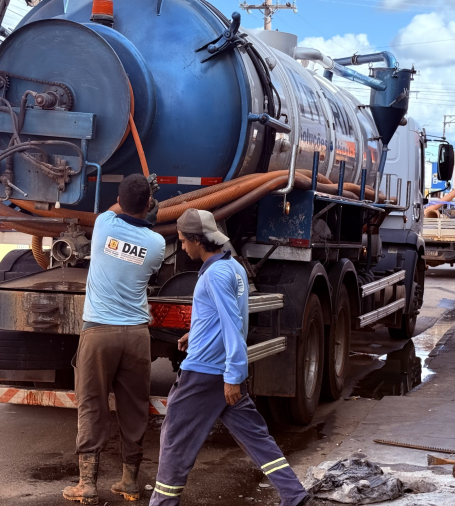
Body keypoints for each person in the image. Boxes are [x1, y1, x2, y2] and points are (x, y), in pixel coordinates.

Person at [150, 209, 314, 506]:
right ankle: (294, 494)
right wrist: (196, 333)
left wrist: (233, 376)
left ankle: (162, 503)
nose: (183, 246)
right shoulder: (234, 267)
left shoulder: (214, 275)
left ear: (198, 241)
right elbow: (227, 318)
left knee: (174, 439)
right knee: (256, 438)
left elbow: (232, 325)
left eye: (185, 240)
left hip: (204, 375)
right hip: (220, 372)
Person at [63, 174, 165, 505]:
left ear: (121, 200)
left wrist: (141, 201)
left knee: (92, 404)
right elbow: (143, 225)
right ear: (149, 205)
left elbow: (117, 208)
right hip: (136, 335)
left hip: (99, 333)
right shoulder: (157, 245)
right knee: (133, 407)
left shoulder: (104, 225)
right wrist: (151, 208)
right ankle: (130, 482)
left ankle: (87, 484)